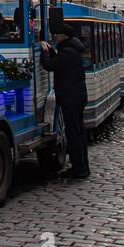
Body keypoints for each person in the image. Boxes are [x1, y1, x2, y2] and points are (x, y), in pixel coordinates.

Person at [40, 24, 89, 179]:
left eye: (58, 34)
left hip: (71, 98)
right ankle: (82, 167)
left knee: (73, 134)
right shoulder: (71, 50)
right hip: (76, 97)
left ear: (65, 36)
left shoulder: (68, 52)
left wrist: (45, 53)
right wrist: (53, 51)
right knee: (78, 133)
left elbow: (50, 65)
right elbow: (59, 61)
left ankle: (79, 169)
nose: (55, 36)